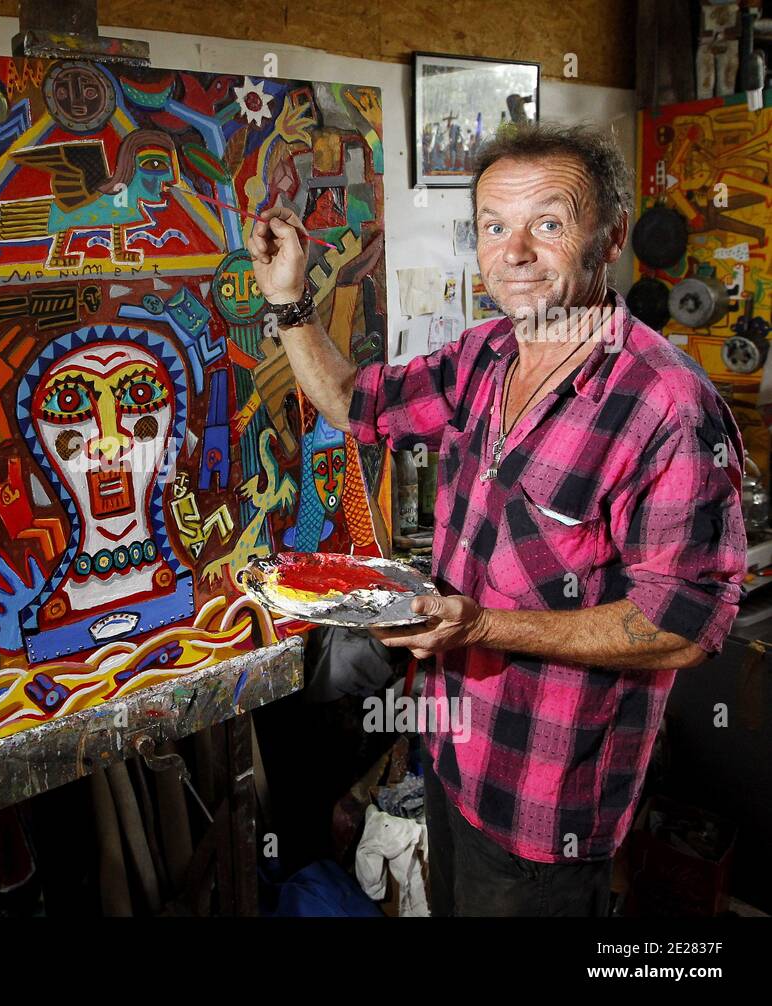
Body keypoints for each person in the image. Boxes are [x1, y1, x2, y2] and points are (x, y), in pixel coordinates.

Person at [247, 123, 747, 916]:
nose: (513, 252)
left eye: (548, 224)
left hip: (545, 806)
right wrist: (290, 298)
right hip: (450, 754)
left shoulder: (667, 406)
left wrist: (481, 628)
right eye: (493, 225)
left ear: (610, 238)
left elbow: (683, 625)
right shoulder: (485, 354)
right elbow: (352, 402)